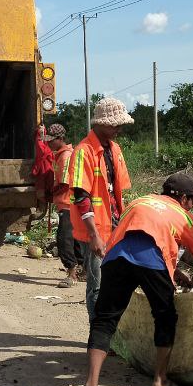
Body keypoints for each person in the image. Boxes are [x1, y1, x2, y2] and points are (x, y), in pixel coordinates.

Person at [65, 173, 193, 386]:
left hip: (116, 258)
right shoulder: (185, 217)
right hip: (153, 263)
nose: (192, 205)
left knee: (104, 320)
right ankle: (160, 379)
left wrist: (173, 270)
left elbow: (138, 239)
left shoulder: (139, 201)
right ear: (182, 198)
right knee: (165, 316)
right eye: (192, 200)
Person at [68, 97, 133, 322]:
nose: (119, 129)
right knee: (96, 285)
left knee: (114, 282)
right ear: (101, 123)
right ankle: (98, 333)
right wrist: (93, 235)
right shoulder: (83, 151)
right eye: (115, 125)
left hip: (114, 225)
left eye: (120, 124)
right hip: (95, 229)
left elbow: (117, 192)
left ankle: (110, 329)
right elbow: (81, 196)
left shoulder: (114, 149)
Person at [46, 124, 85, 288]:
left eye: (51, 141)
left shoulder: (66, 156)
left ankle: (72, 273)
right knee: (74, 239)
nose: (49, 143)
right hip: (67, 203)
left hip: (68, 203)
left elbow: (64, 184)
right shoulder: (60, 155)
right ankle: (82, 269)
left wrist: (50, 193)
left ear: (60, 139)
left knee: (64, 239)